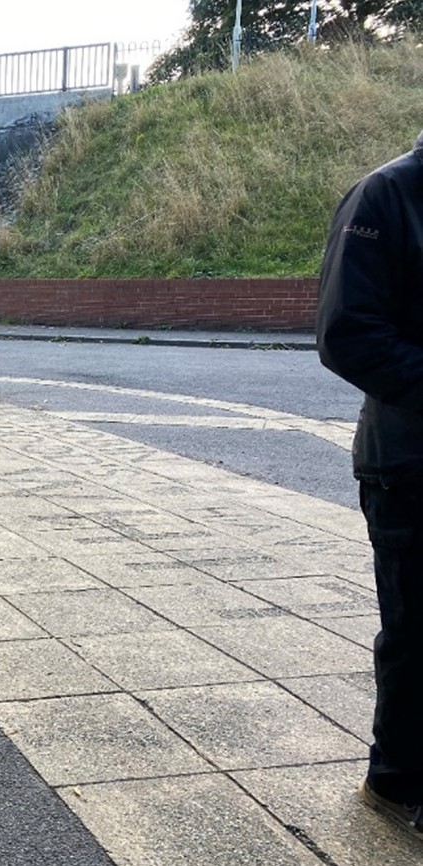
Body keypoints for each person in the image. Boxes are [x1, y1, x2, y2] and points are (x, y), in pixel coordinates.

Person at [318, 131, 423, 841]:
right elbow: (346, 332)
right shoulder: (386, 195)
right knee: (419, 634)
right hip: (409, 461)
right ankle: (397, 782)